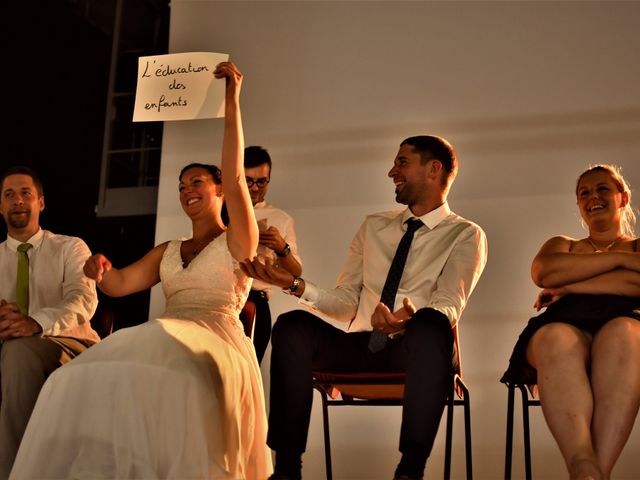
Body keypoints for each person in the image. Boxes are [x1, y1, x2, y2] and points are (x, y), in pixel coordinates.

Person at [9, 62, 272, 479]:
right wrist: (99, 268)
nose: (187, 191)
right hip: (166, 331)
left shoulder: (239, 240)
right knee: (86, 372)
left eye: (197, 182)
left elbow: (238, 174)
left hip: (215, 336)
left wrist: (231, 102)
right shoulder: (168, 249)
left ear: (220, 190)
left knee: (174, 372)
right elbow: (120, 284)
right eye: (182, 187)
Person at [241, 135, 487, 480]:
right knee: (292, 324)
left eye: (402, 162)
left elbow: (449, 304)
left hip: (416, 349)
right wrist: (292, 284)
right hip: (361, 346)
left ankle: (409, 470)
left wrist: (407, 320)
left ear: (434, 170)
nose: (391, 171)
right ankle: (286, 471)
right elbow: (344, 303)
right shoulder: (374, 226)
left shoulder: (465, 234)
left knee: (432, 324)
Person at [502, 164, 640, 480]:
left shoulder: (637, 245)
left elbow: (637, 287)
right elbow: (544, 273)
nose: (593, 196)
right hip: (563, 322)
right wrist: (620, 263)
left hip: (624, 325)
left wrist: (570, 285)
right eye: (584, 193)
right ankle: (583, 464)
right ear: (579, 205)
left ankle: (592, 474)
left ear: (623, 197)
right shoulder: (562, 243)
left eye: (603, 188)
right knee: (555, 337)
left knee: (624, 332)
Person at [0, 166, 99, 479]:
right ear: (0, 207)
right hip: (10, 344)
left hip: (68, 343)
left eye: (25, 193)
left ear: (40, 203)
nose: (18, 200)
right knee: (15, 348)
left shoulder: (70, 247)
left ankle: (16, 473)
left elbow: (82, 300)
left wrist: (34, 323)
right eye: (9, 195)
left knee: (18, 351)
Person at [244, 145, 302, 364]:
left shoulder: (281, 218)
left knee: (247, 375)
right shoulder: (219, 211)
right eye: (248, 180)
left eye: (262, 181)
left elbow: (297, 271)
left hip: (255, 302)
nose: (255, 187)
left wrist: (282, 248)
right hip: (216, 300)